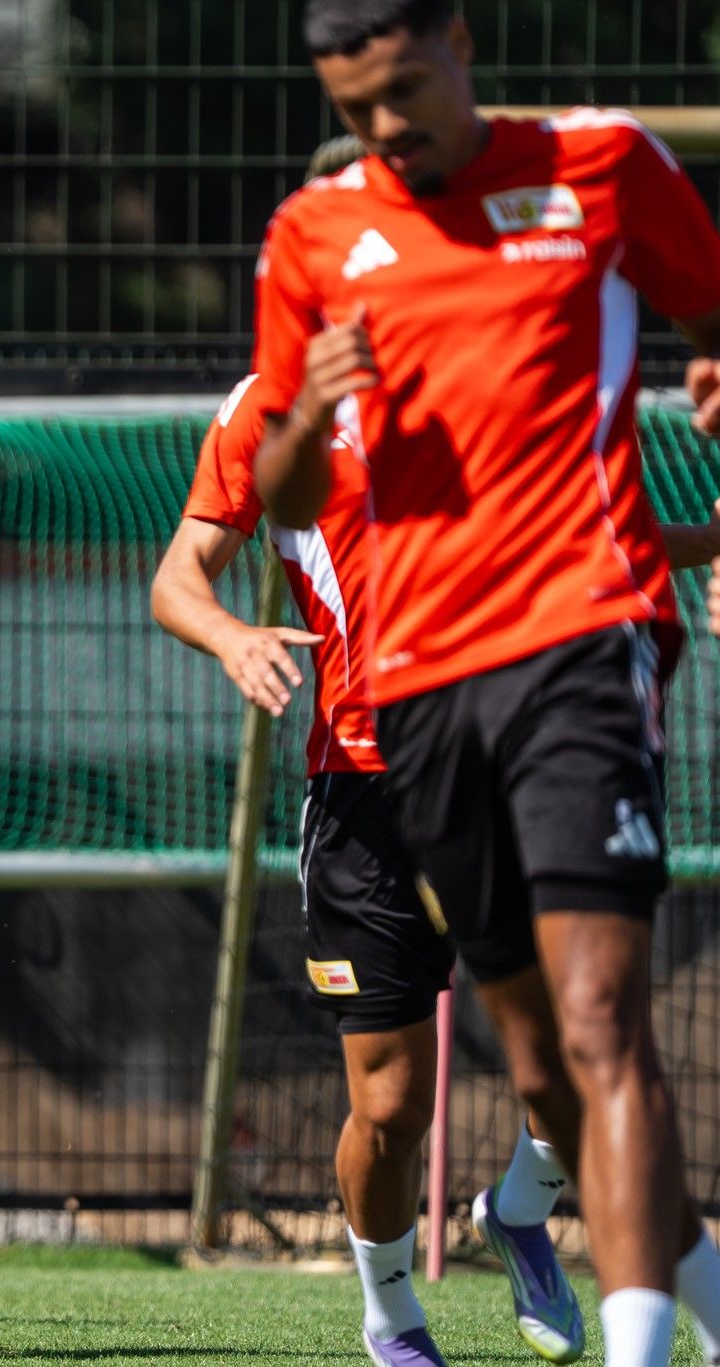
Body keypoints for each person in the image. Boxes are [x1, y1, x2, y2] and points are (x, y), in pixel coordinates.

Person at [252, 3, 720, 1363]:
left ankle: (633, 1345)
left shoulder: (601, 166)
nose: (387, 127)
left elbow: (704, 297)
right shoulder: (313, 236)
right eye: (354, 110)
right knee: (534, 1064)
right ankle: (679, 1272)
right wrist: (300, 415)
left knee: (596, 1021)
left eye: (403, 88)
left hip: (583, 631)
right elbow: (276, 483)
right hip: (411, 688)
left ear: (457, 41)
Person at [158, 371, 720, 1365]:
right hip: (364, 797)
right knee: (389, 1104)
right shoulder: (271, 402)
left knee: (583, 1055)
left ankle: (517, 1213)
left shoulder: (492, 359)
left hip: (512, 765)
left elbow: (592, 530)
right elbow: (178, 577)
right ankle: (390, 1312)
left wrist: (706, 545)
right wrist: (231, 634)